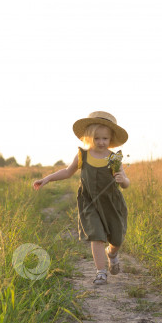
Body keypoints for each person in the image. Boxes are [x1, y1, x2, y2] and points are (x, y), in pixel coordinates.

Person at [32, 111, 130, 285]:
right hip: (90, 202)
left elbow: (125, 182)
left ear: (110, 139)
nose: (101, 142)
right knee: (96, 236)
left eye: (105, 139)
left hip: (111, 203)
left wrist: (123, 181)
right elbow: (67, 172)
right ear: (88, 138)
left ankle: (112, 254)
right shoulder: (82, 156)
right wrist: (47, 178)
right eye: (97, 138)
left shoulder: (113, 158)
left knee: (117, 238)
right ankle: (101, 272)